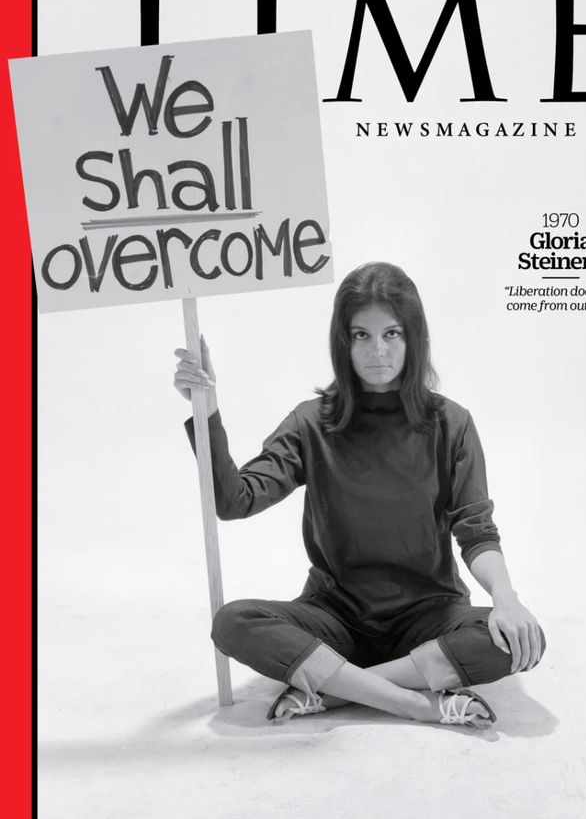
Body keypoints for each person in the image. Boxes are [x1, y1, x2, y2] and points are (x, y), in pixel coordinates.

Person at [174, 262, 545, 728]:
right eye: (361, 335)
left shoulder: (451, 424)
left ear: (414, 338)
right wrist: (206, 412)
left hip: (428, 616)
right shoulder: (313, 423)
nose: (377, 351)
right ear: (343, 341)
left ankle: (335, 690)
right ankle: (414, 701)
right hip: (336, 619)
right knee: (233, 622)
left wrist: (507, 598)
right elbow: (235, 500)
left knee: (517, 638)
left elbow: (475, 530)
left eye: (392, 334)